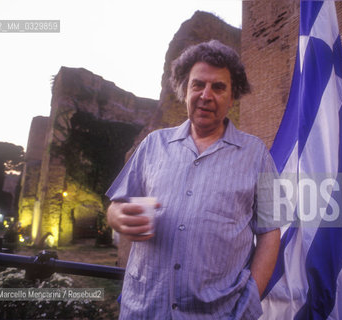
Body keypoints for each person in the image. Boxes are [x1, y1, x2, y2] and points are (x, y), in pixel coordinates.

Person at [106, 40, 280, 319]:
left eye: (218, 87)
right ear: (184, 91)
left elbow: (270, 233)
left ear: (232, 97)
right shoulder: (153, 145)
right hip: (144, 309)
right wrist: (117, 217)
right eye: (197, 85)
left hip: (219, 313)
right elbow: (116, 205)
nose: (206, 95)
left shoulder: (256, 154)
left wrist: (250, 302)